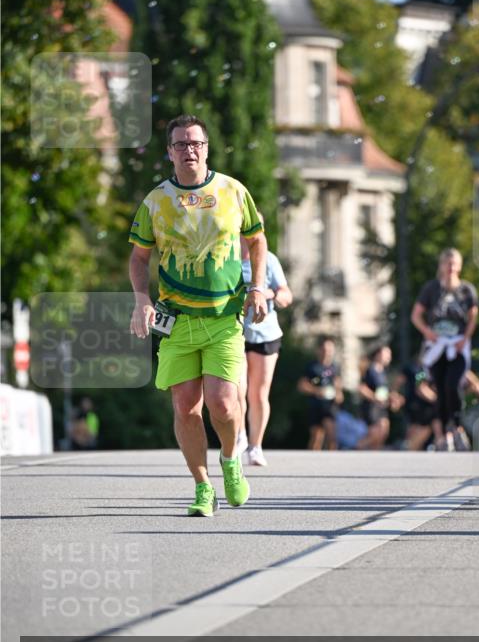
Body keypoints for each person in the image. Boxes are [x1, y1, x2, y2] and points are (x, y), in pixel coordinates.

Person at [128, 114, 267, 516]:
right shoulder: (156, 201)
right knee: (186, 408)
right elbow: (139, 257)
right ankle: (203, 487)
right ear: (169, 153)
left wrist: (257, 287)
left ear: (206, 149)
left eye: (195, 143)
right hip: (177, 320)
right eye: (181, 144)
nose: (189, 150)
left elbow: (257, 240)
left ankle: (230, 459)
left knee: (223, 405)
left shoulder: (233, 191)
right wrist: (141, 299)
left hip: (224, 317)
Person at [411, 248, 478, 451]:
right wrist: (427, 332)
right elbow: (416, 315)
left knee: (453, 384)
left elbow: (473, 316)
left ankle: (457, 427)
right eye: (447, 263)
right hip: (436, 347)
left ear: (460, 266)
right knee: (439, 388)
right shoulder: (432, 289)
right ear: (441, 266)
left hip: (457, 347)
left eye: (454, 263)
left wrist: (465, 338)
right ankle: (445, 434)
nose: (451, 268)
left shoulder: (466, 290)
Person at [238, 224, 293, 466]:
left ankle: (255, 446)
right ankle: (239, 435)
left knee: (258, 394)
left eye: (258, 229)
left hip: (265, 334)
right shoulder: (227, 256)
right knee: (236, 389)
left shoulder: (269, 259)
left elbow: (286, 294)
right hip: (235, 333)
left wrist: (270, 294)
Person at [298, 338, 343, 450]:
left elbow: (338, 384)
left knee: (332, 436)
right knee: (316, 437)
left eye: (329, 350)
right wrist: (317, 391)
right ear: (319, 350)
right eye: (324, 349)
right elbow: (302, 386)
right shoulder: (312, 367)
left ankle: (333, 459)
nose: (327, 353)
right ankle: (313, 460)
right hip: (316, 405)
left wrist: (338, 393)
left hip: (330, 406)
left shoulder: (335, 367)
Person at [357, 344, 396, 450]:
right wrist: (375, 398)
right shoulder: (370, 370)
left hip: (381, 407)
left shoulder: (383, 371)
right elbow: (362, 388)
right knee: (375, 433)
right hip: (371, 407)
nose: (389, 356)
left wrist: (392, 398)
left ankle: (374, 456)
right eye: (386, 353)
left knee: (384, 431)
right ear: (378, 354)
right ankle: (357, 447)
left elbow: (383, 390)